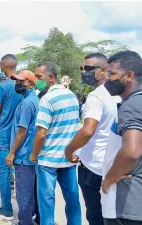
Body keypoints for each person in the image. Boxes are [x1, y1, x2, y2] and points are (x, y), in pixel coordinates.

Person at [64, 53, 120, 225]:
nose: (84, 72)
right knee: (111, 215)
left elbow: (88, 131)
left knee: (95, 215)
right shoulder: (118, 94)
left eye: (89, 68)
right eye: (82, 68)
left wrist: (69, 150)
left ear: (104, 70)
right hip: (114, 165)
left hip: (93, 167)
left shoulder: (96, 96)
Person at [30, 62, 81, 225]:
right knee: (72, 200)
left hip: (48, 160)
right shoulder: (72, 96)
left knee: (46, 204)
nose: (36, 80)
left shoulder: (47, 99)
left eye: (39, 77)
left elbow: (41, 133)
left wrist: (34, 153)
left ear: (51, 78)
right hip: (67, 158)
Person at [101, 50, 142, 225]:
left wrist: (110, 177)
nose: (107, 78)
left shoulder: (131, 106)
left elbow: (131, 152)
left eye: (112, 73)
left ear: (129, 76)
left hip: (128, 204)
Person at [6, 70, 40, 225]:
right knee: (33, 191)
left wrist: (12, 153)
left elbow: (22, 131)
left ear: (31, 83)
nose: (18, 84)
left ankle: (25, 222)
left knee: (24, 194)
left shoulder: (27, 103)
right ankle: (34, 219)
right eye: (17, 81)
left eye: (22, 82)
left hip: (23, 155)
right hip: (31, 153)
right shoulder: (33, 99)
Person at [0, 54, 22, 220]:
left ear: (3, 65)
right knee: (22, 171)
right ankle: (27, 210)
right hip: (21, 133)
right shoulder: (23, 85)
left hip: (4, 134)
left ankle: (7, 208)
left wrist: (3, 122)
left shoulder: (2, 86)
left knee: (4, 171)